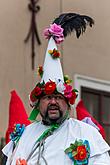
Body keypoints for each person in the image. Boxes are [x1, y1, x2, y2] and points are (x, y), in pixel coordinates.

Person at [2, 13, 110, 165]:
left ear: (68, 102)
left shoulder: (86, 133)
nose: (53, 101)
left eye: (58, 97)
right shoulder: (24, 135)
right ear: (38, 103)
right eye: (47, 97)